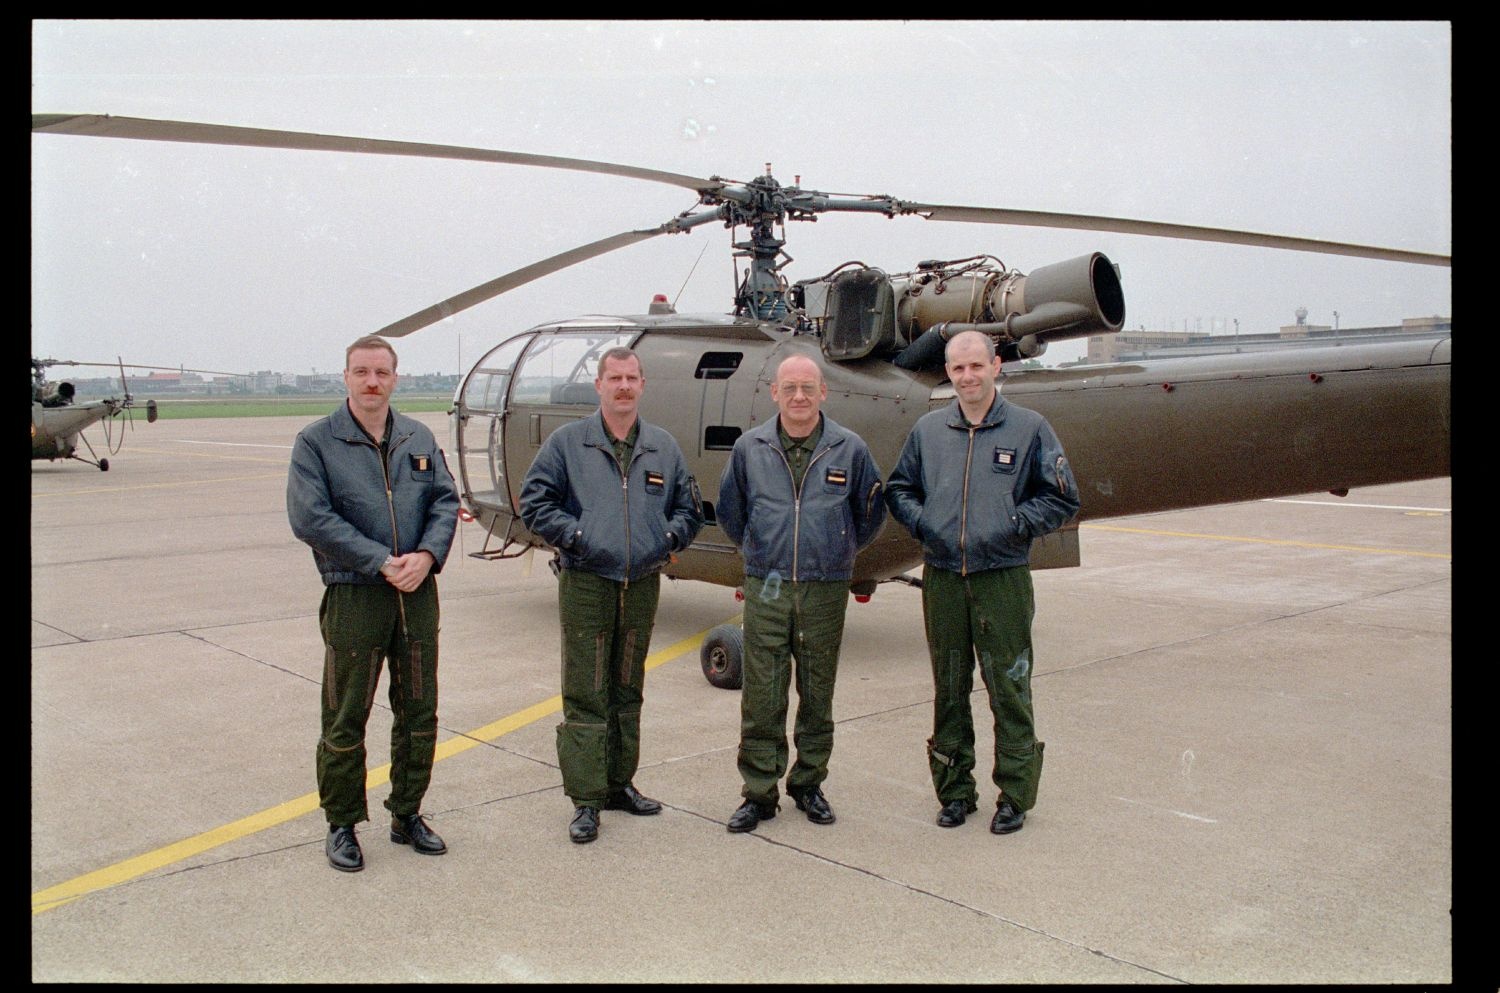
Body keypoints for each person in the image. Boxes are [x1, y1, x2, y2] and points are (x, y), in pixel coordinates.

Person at [884, 330, 1080, 835]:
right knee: (948, 688)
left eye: (976, 366)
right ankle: (954, 793)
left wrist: (1012, 525)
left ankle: (1015, 794)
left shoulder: (1030, 428)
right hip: (944, 577)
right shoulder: (928, 431)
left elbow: (1061, 498)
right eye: (957, 369)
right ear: (948, 374)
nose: (967, 377)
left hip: (1003, 579)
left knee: (1009, 687)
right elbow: (900, 488)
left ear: (996, 366)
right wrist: (926, 524)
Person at [287, 334, 459, 872]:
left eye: (381, 372)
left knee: (419, 711)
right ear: (345, 377)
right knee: (345, 715)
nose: (371, 382)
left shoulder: (418, 436)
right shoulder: (316, 442)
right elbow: (311, 518)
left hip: (417, 595)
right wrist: (382, 561)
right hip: (355, 594)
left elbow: (445, 501)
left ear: (395, 378)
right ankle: (341, 823)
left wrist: (428, 556)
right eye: (361, 372)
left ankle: (407, 813)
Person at [518, 347, 702, 844]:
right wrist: (578, 538)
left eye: (631, 378)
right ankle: (585, 798)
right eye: (614, 378)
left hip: (641, 583)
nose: (623, 386)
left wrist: (665, 541)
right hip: (586, 582)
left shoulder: (662, 446)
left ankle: (620, 783)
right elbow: (534, 502)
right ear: (599, 385)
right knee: (587, 689)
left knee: (627, 687)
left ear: (643, 385)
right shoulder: (567, 444)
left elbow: (689, 508)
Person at [715, 354, 886, 833]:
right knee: (762, 694)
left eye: (808, 388)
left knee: (817, 691)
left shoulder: (849, 449)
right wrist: (760, 551)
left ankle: (808, 784)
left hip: (825, 587)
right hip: (766, 585)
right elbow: (732, 511)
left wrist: (837, 550)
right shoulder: (751, 448)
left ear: (823, 392)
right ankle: (759, 792)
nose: (798, 397)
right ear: (774, 393)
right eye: (789, 388)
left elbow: (869, 516)